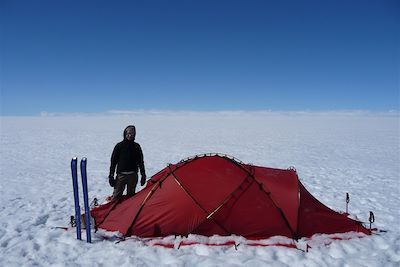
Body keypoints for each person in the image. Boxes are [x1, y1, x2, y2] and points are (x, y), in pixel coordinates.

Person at [108, 125, 146, 200]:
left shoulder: (136, 146)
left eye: (132, 133)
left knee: (130, 198)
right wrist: (111, 176)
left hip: (133, 176)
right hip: (121, 176)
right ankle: (114, 211)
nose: (130, 135)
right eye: (128, 133)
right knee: (116, 197)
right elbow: (113, 162)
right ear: (125, 134)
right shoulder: (119, 146)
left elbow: (141, 162)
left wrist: (143, 175)